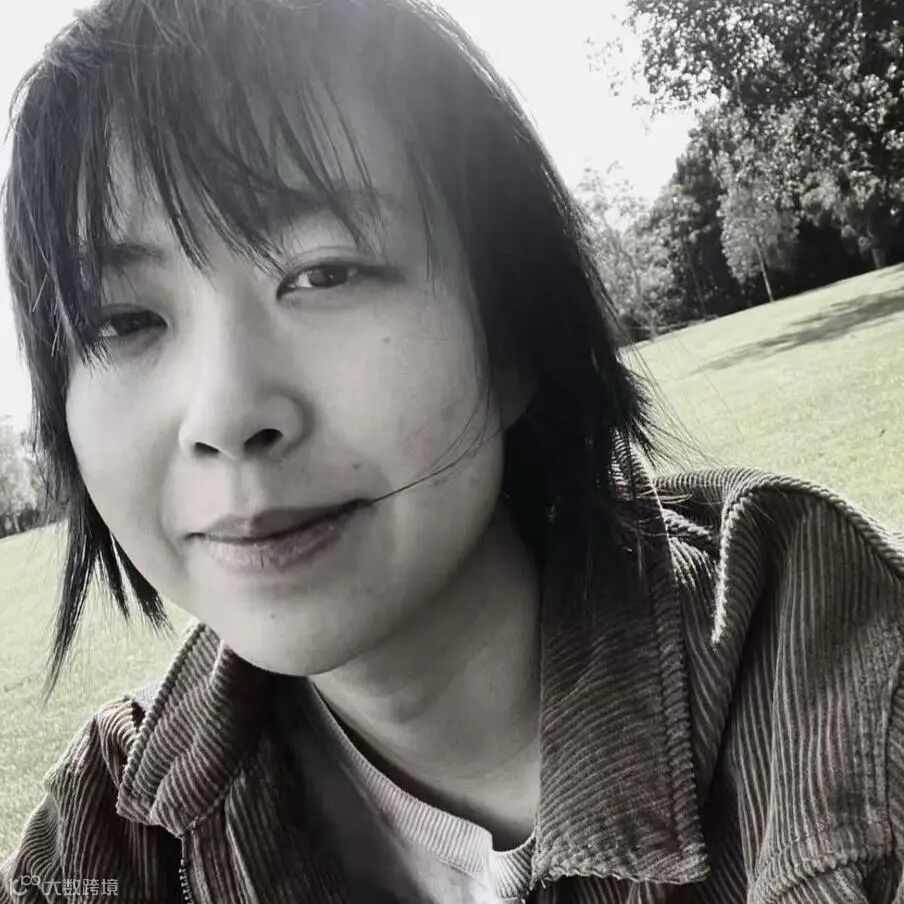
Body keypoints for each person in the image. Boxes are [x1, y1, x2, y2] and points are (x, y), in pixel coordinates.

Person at [2, 0, 904, 901]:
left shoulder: (824, 668)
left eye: (324, 273)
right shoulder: (98, 852)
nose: (226, 415)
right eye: (123, 321)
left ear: (510, 331)